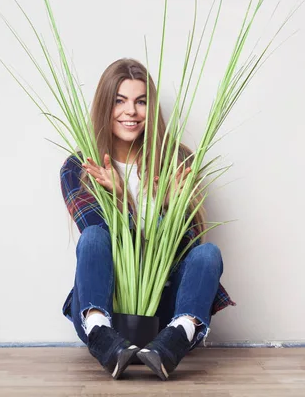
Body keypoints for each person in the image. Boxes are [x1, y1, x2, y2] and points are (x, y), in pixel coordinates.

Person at [59, 58, 235, 380]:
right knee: (95, 239)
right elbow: (101, 243)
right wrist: (124, 197)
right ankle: (101, 336)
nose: (131, 112)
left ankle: (174, 341)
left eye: (141, 102)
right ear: (105, 106)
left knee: (208, 254)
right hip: (107, 311)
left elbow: (186, 253)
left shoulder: (178, 160)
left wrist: (172, 206)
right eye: (120, 101)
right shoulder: (78, 168)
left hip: (162, 318)